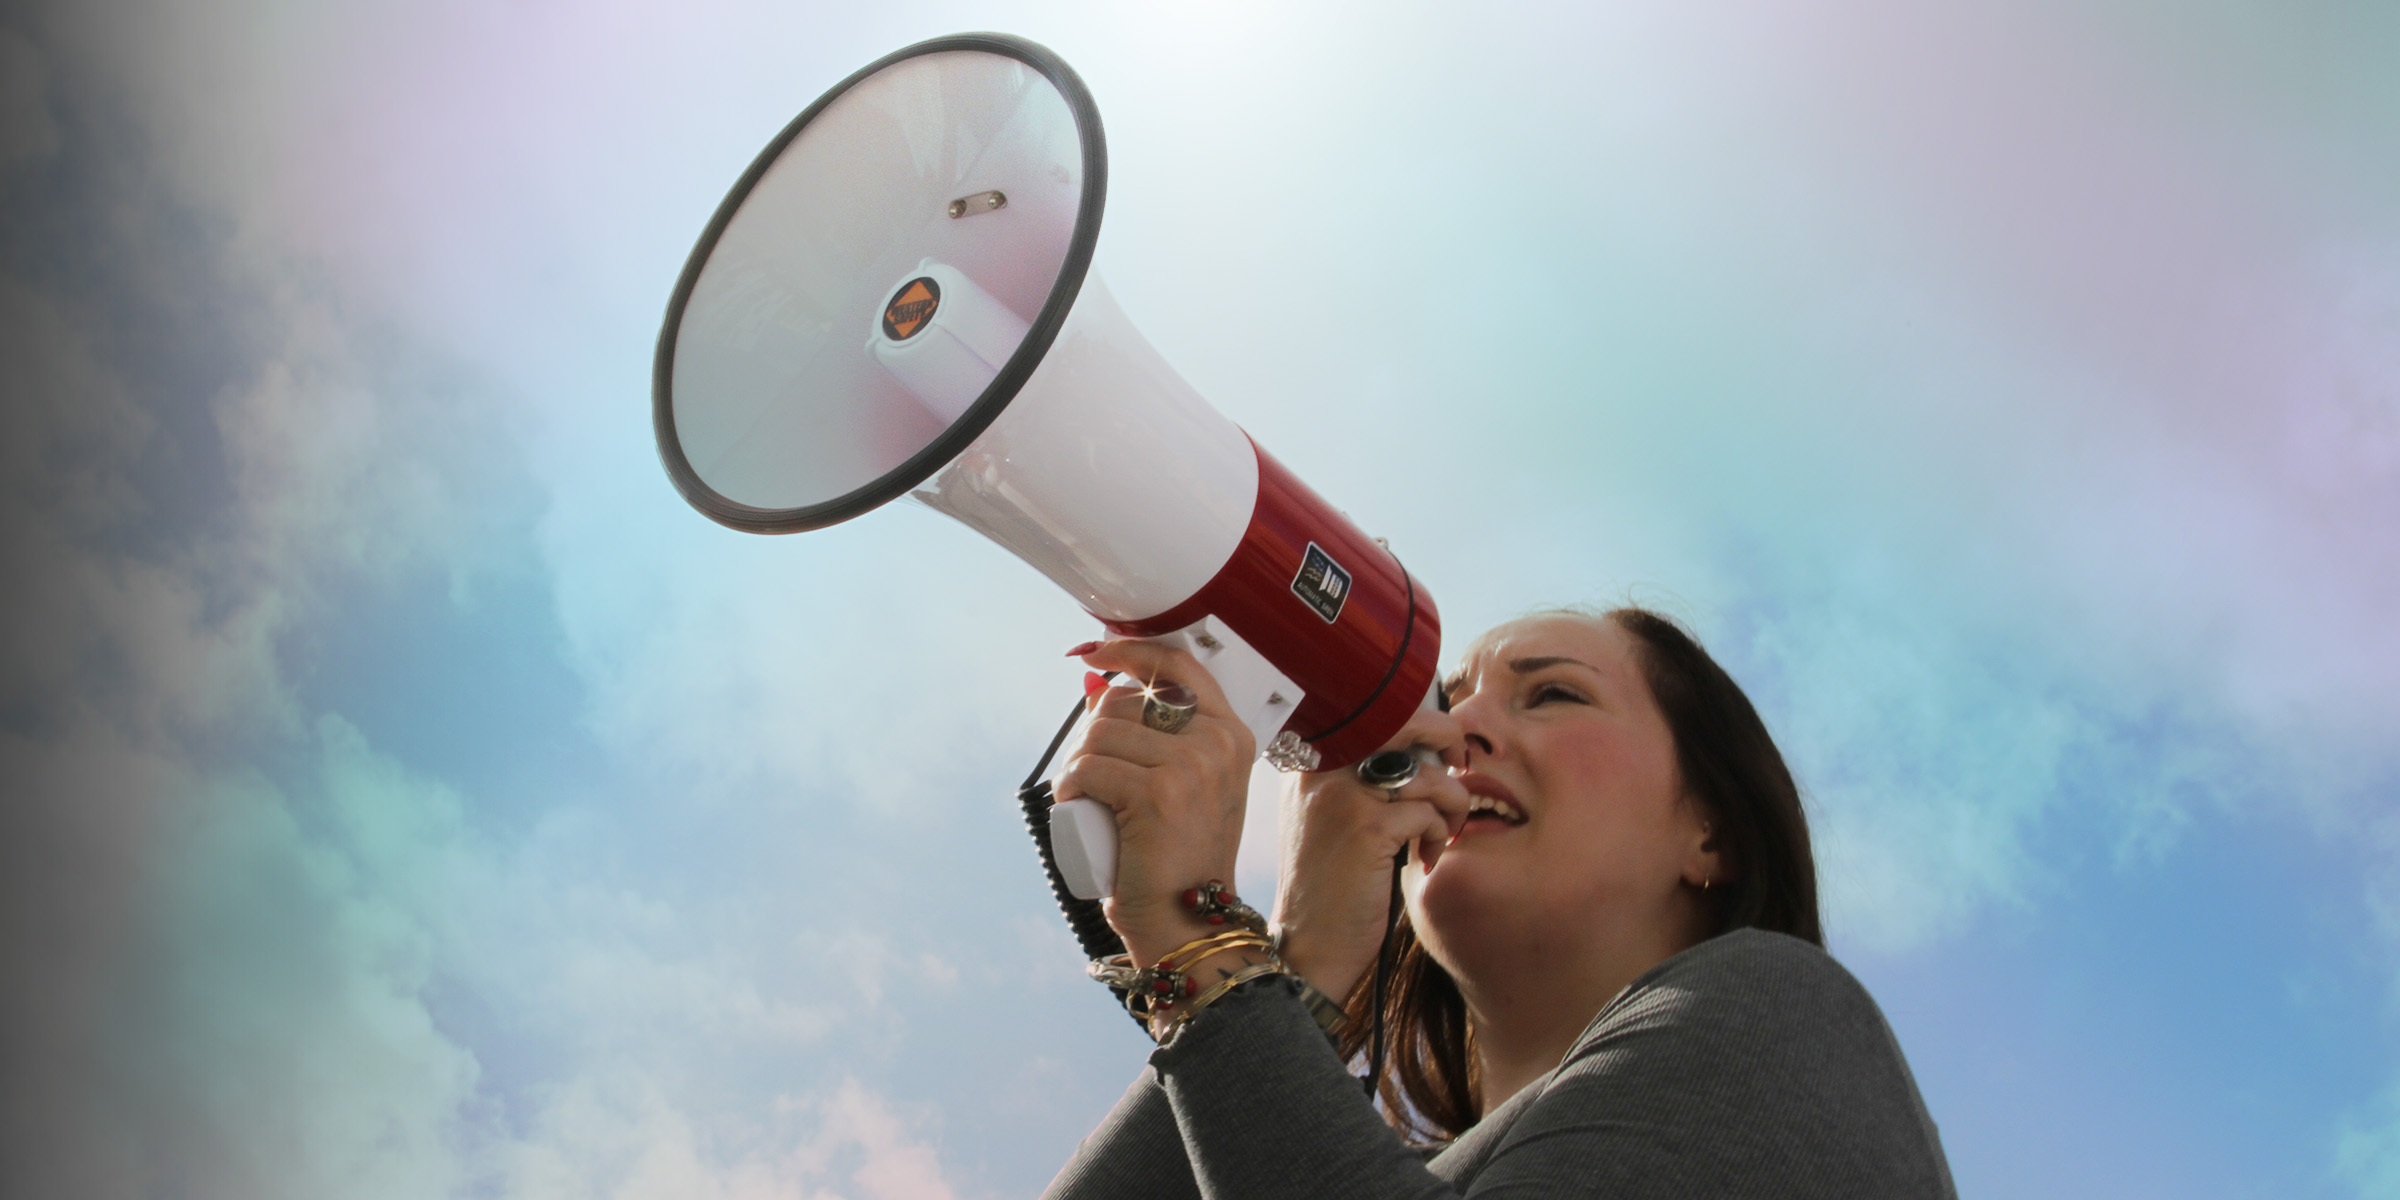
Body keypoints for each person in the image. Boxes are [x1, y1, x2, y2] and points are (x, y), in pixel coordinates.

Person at [1042, 607, 1955, 1198]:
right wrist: (1302, 966)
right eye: (1449, 701)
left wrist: (1197, 935)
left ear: (1710, 833)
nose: (1457, 728)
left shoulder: (1784, 1007)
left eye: (1551, 694)